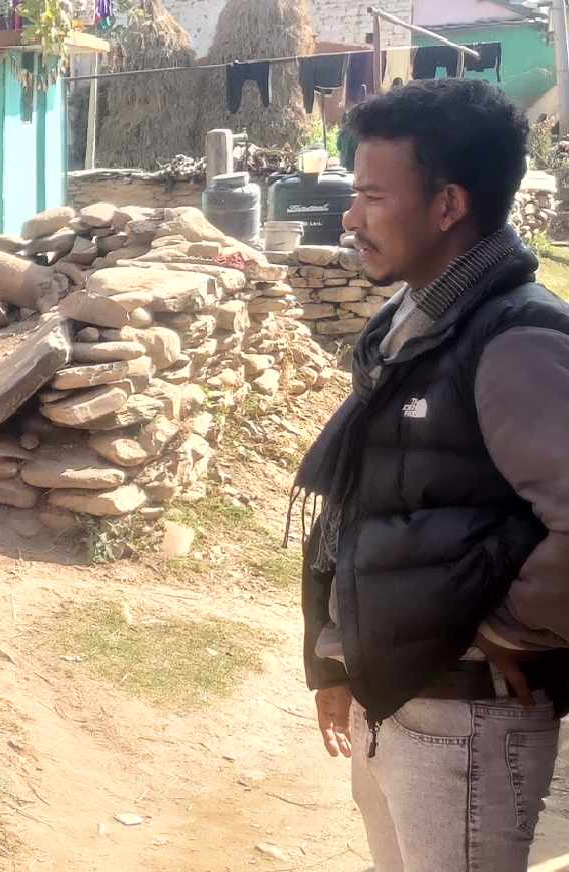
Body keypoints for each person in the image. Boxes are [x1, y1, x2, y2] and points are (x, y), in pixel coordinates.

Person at [298, 79, 569, 872]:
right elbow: (366, 506)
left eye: (372, 196)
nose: (350, 218)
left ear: (448, 205)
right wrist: (337, 656)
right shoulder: (410, 324)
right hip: (398, 696)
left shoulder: (515, 339)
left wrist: (507, 629)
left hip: (468, 720)